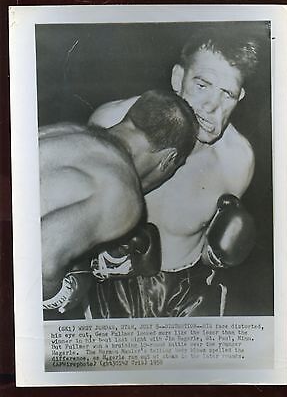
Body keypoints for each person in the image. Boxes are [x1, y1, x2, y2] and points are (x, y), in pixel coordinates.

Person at [87, 28, 259, 318]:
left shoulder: (238, 161)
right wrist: (93, 251)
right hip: (114, 287)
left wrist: (216, 255)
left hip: (186, 294)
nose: (210, 107)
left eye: (226, 94)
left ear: (239, 96)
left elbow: (204, 241)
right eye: (202, 85)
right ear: (178, 78)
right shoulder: (112, 124)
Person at [40, 89, 198, 312]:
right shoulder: (123, 193)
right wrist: (61, 293)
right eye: (175, 166)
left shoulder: (68, 131)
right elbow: (42, 261)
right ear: (170, 158)